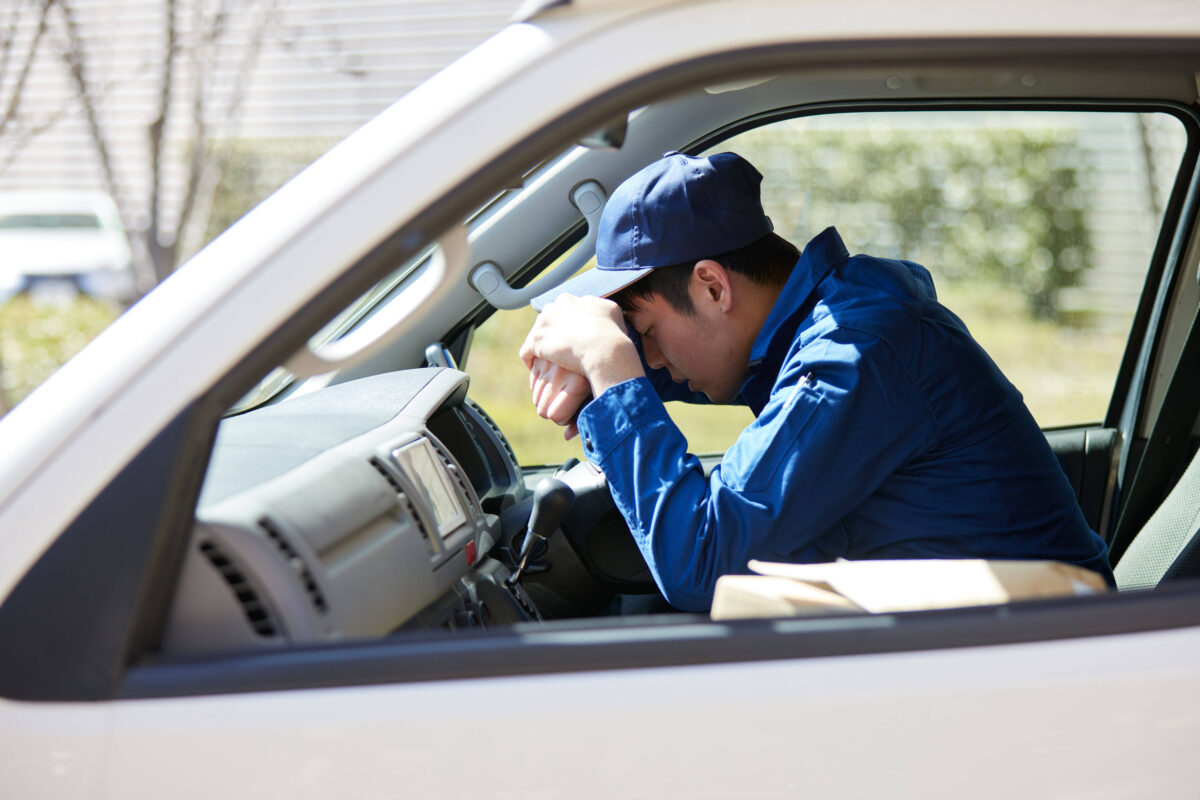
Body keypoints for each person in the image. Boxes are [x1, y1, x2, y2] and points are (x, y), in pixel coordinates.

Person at [520, 150, 1113, 612]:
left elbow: (701, 564)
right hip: (997, 648)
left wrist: (610, 369)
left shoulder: (855, 355)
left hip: (1036, 670)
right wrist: (603, 377)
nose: (646, 358)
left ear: (712, 286)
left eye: (643, 332)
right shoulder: (834, 327)